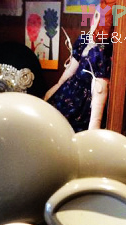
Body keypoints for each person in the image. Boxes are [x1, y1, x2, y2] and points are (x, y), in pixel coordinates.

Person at [44, 4, 114, 132]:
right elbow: (70, 70)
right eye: (95, 15)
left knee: (67, 129)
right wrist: (57, 87)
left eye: (98, 17)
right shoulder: (84, 41)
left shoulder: (101, 53)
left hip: (82, 105)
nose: (93, 20)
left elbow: (100, 90)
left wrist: (94, 126)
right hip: (68, 91)